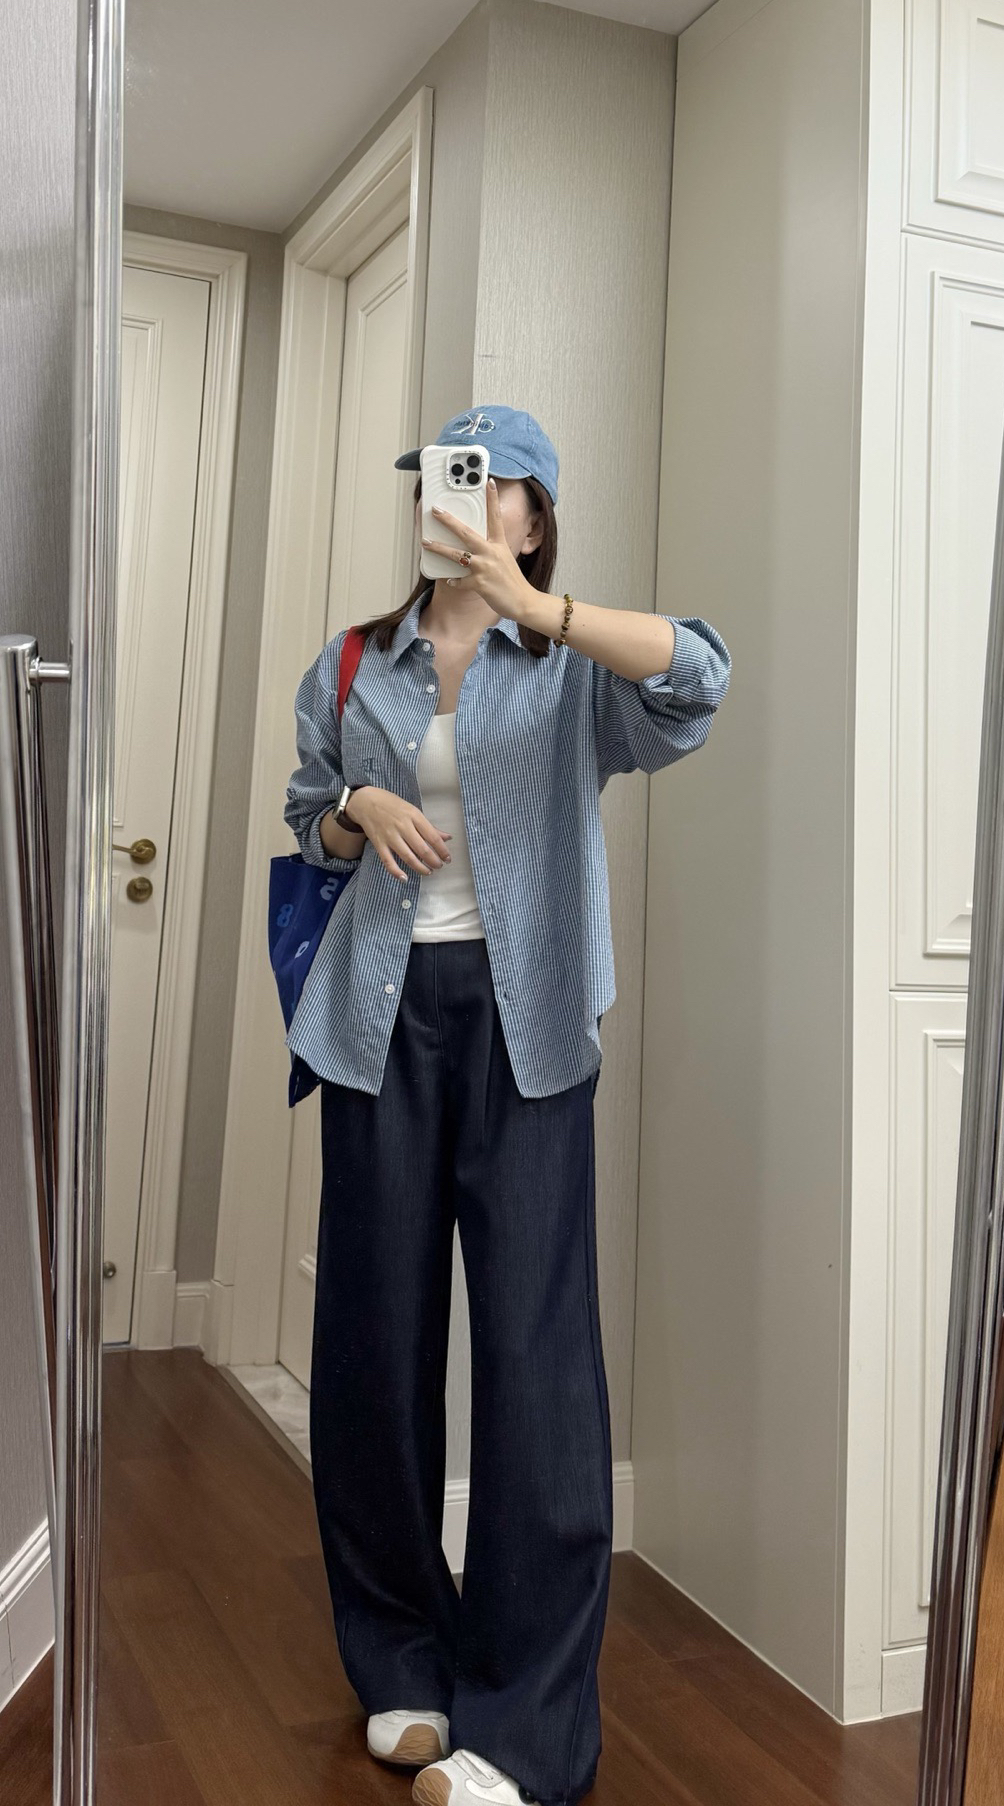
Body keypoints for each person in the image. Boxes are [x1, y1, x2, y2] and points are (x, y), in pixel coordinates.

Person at [282, 406, 731, 1806]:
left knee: (538, 1372)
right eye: (441, 478)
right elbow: (307, 817)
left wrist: (542, 609)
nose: (459, 501)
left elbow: (702, 681)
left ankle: (528, 1732)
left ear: (533, 512)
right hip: (375, 1026)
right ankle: (403, 1664)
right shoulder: (355, 659)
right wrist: (358, 805)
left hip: (526, 1029)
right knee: (372, 1349)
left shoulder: (569, 666)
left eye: (490, 484)